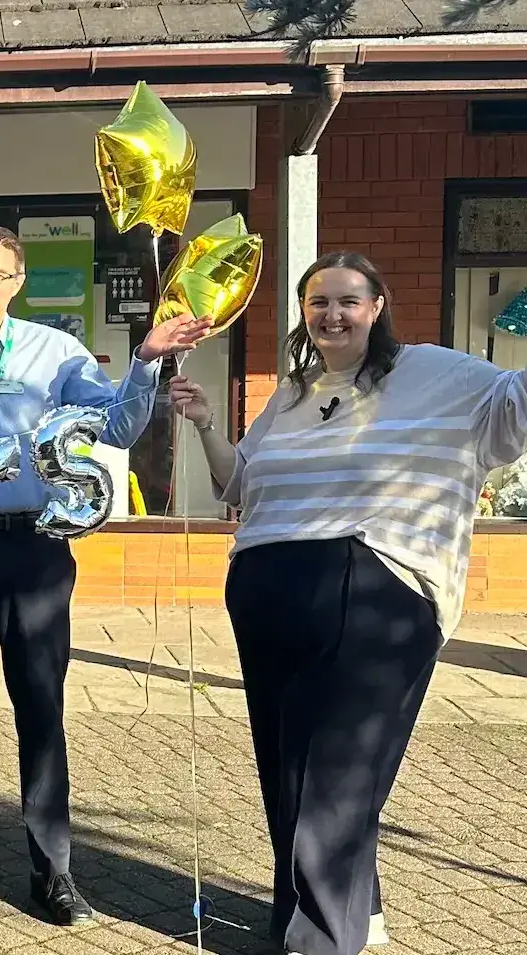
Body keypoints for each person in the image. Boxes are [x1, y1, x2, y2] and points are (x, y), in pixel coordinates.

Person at [169, 251, 527, 955]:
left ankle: (323, 940)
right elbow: (239, 485)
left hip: (374, 584)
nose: (332, 314)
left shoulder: (442, 373)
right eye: (318, 302)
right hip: (267, 587)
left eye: (348, 301)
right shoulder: (296, 392)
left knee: (334, 772)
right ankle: (338, 916)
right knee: (287, 767)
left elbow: (514, 409)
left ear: (379, 304)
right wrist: (209, 424)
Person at [0, 225, 207, 927]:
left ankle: (53, 871)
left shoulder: (57, 353)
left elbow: (119, 427)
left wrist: (147, 360)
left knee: (41, 709)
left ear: (18, 282)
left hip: (36, 548)